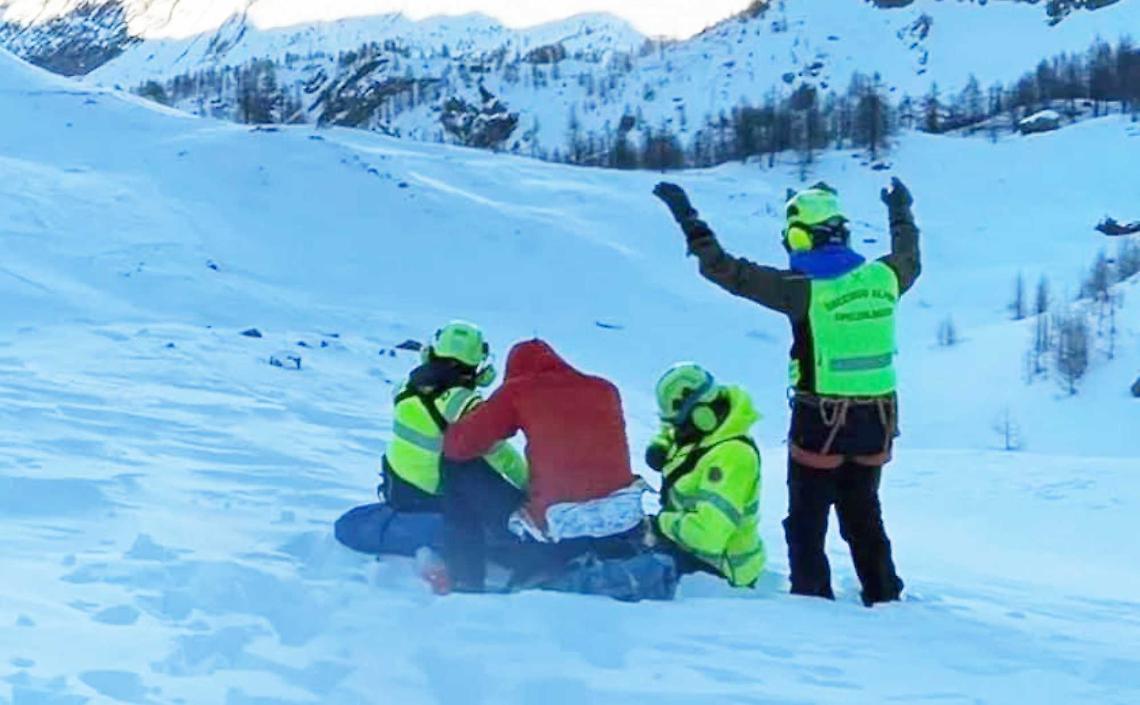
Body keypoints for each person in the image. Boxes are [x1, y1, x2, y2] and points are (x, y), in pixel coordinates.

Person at [653, 178, 920, 607]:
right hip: (877, 424)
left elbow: (725, 269)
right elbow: (910, 256)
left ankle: (812, 603)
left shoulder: (803, 290)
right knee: (863, 513)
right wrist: (900, 211)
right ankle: (884, 595)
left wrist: (688, 219)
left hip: (821, 425)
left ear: (799, 237)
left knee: (806, 523)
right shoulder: (886, 276)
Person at [440, 339, 640, 593]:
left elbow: (459, 445)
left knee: (457, 468)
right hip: (619, 525)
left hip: (557, 533)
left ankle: (465, 578)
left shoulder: (519, 390)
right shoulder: (605, 389)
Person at [382, 321, 528, 512]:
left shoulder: (405, 386)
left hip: (398, 486)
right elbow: (501, 455)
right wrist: (532, 486)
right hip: (432, 496)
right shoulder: (462, 403)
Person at [645, 363, 765, 588]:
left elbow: (707, 536)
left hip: (722, 572)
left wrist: (661, 523)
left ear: (701, 415)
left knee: (624, 576)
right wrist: (660, 445)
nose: (676, 430)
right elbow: (670, 430)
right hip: (687, 545)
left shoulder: (732, 456)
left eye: (679, 424)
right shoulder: (706, 431)